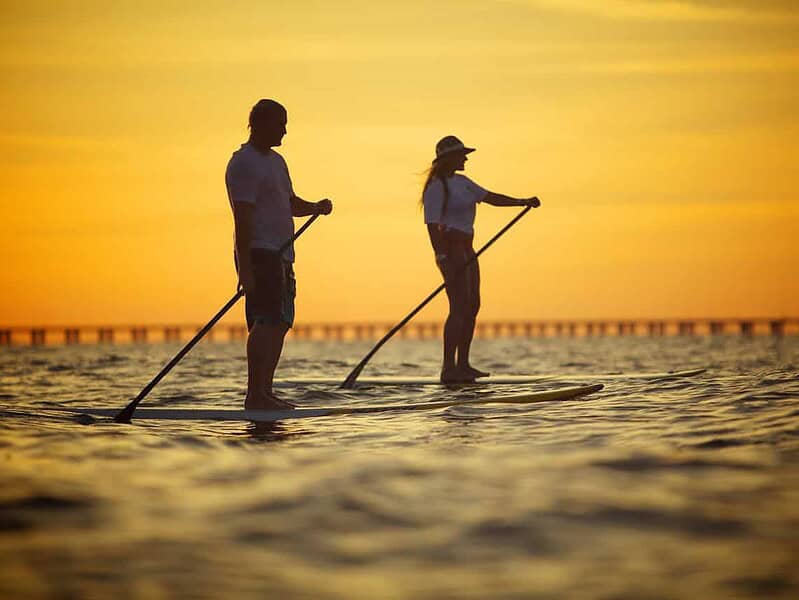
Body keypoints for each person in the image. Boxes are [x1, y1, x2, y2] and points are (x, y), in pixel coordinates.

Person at [226, 99, 332, 409]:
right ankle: (254, 394)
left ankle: (266, 392)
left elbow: (290, 203)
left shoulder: (277, 162)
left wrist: (315, 208)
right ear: (260, 124)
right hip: (260, 253)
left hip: (282, 255)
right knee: (266, 320)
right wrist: (244, 267)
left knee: (281, 322)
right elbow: (242, 218)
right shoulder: (243, 163)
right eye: (280, 123)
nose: (285, 130)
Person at [422, 135, 540, 383]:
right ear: (448, 159)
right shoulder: (436, 187)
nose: (465, 158)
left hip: (468, 247)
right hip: (451, 250)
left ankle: (463, 365)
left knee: (473, 305)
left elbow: (491, 198)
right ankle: (448, 368)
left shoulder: (464, 182)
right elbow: (432, 226)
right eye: (461, 154)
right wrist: (441, 255)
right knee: (459, 306)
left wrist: (522, 202)